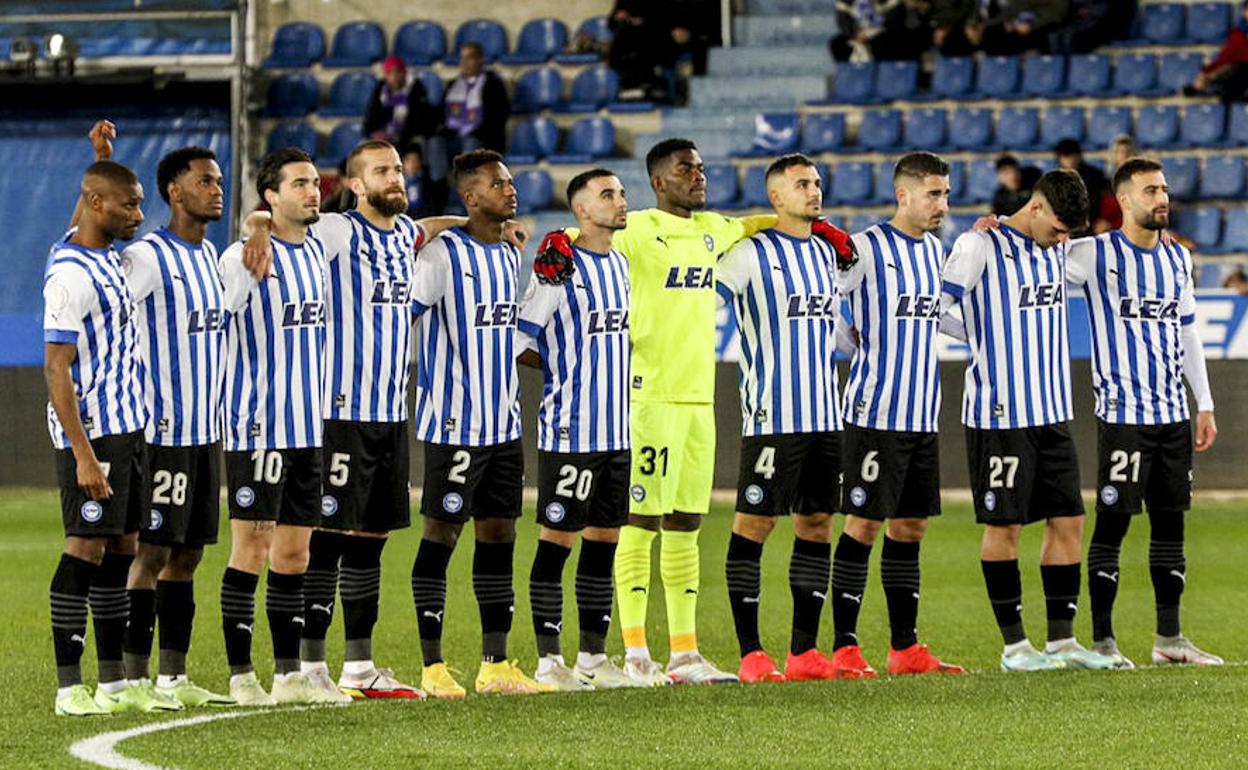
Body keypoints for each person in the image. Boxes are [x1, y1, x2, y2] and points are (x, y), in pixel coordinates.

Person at [541, 138, 855, 685]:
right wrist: (556, 239)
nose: (699, 175)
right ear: (661, 181)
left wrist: (815, 226)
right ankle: (636, 651)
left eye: (702, 167)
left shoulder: (715, 229)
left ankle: (684, 652)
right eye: (687, 169)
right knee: (638, 524)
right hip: (646, 397)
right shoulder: (636, 227)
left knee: (685, 524)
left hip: (697, 399)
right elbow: (584, 231)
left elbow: (759, 222)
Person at [940, 170, 1116, 672]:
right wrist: (979, 335)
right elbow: (938, 308)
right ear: (1036, 208)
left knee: (1069, 520)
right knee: (1006, 524)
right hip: (1000, 413)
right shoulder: (981, 247)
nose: (1063, 241)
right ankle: (1016, 647)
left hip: (1052, 410)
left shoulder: (1057, 249)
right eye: (1059, 229)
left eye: (1069, 234)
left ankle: (1061, 642)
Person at [1069, 157, 1222, 668]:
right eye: (1151, 190)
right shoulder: (1092, 254)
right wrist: (999, 228)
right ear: (1126, 200)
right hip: (1123, 415)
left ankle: (1170, 640)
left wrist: (1204, 402)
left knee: (1170, 525)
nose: (1162, 198)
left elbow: (1187, 332)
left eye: (1164, 189)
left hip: (1173, 416)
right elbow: (1032, 256)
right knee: (1113, 523)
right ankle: (1103, 642)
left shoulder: (1178, 259)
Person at [408, 150, 547, 697]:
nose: (509, 190)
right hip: (453, 425)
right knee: (441, 535)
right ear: (470, 197)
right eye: (497, 183)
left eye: (510, 181)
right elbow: (403, 319)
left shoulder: (510, 254)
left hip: (504, 425)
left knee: (500, 535)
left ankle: (496, 664)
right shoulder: (441, 256)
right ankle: (432, 665)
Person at [217, 147, 352, 707]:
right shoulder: (241, 258)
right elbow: (216, 324)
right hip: (258, 425)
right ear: (270, 196)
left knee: (297, 554)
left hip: (307, 428)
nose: (312, 191)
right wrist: (253, 228)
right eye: (298, 184)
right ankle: (241, 675)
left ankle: (290, 673)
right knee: (251, 546)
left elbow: (403, 220)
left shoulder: (321, 247)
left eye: (314, 182)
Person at [107, 136, 236, 709]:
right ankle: (133, 678)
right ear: (173, 191)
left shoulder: (209, 257)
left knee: (189, 555)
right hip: (160, 433)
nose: (217, 190)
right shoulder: (145, 257)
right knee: (151, 552)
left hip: (206, 432)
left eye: (219, 180)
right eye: (205, 181)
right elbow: (106, 310)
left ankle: (173, 677)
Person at [830, 152, 967, 679]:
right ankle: (844, 645)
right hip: (874, 412)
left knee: (909, 527)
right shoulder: (864, 249)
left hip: (921, 416)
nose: (942, 204)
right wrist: (849, 341)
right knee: (863, 524)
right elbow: (826, 306)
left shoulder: (937, 253)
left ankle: (905, 648)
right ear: (903, 195)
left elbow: (944, 317)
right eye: (934, 194)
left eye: (946, 194)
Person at [715, 154, 850, 683]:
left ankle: (803, 652)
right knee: (755, 524)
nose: (814, 191)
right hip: (772, 417)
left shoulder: (827, 253)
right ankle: (750, 654)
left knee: (817, 524)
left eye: (816, 182)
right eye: (801, 184)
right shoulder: (750, 254)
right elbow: (703, 304)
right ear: (776, 198)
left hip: (825, 417)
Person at [517, 169, 640, 690]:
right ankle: (549, 660)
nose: (620, 201)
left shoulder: (622, 264)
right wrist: (565, 368)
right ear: (582, 210)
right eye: (608, 194)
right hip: (571, 430)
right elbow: (520, 337)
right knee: (557, 540)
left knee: (604, 540)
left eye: (621, 192)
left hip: (616, 431)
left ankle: (593, 656)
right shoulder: (557, 269)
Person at [45, 158, 149, 716]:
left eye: (137, 202)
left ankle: (112, 683)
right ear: (97, 204)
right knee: (84, 549)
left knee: (123, 548)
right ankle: (68, 688)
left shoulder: (97, 253)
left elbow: (83, 207)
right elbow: (55, 369)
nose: (138, 213)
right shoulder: (70, 276)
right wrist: (84, 456)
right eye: (128, 204)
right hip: (95, 435)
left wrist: (100, 150)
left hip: (130, 428)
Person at [362, 56, 438, 156]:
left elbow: (421, 123)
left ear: (404, 73)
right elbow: (370, 118)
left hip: (408, 139)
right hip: (384, 138)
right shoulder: (381, 91)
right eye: (390, 73)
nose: (394, 77)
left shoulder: (416, 90)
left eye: (397, 72)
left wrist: (397, 135)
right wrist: (375, 133)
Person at [829, 0, 932, 62]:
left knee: (881, 42)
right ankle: (851, 79)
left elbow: (895, 16)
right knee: (837, 44)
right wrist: (855, 34)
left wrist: (871, 32)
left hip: (885, 31)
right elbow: (842, 20)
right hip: (858, 33)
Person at [1184, 2, 1248, 103]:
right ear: (1244, 13)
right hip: (1240, 72)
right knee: (1234, 70)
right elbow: (1226, 57)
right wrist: (1206, 73)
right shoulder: (1238, 34)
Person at [1055, 139, 1110, 234]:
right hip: (1064, 227)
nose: (1070, 160)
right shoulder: (1054, 180)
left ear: (1079, 156)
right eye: (1065, 156)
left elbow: (1106, 201)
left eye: (1072, 156)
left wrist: (1103, 219)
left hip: (1093, 223)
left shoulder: (1095, 176)